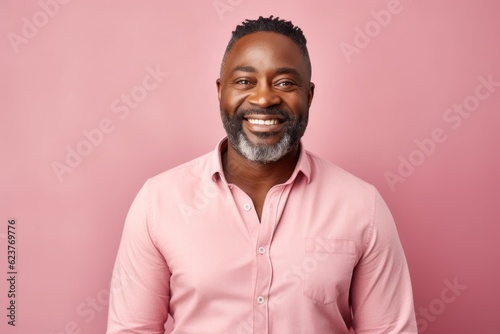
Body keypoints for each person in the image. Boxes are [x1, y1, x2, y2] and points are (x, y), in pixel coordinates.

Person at [107, 16, 417, 334]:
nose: (264, 99)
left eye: (284, 83)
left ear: (309, 96)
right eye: (245, 81)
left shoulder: (362, 206)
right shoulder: (158, 203)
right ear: (220, 91)